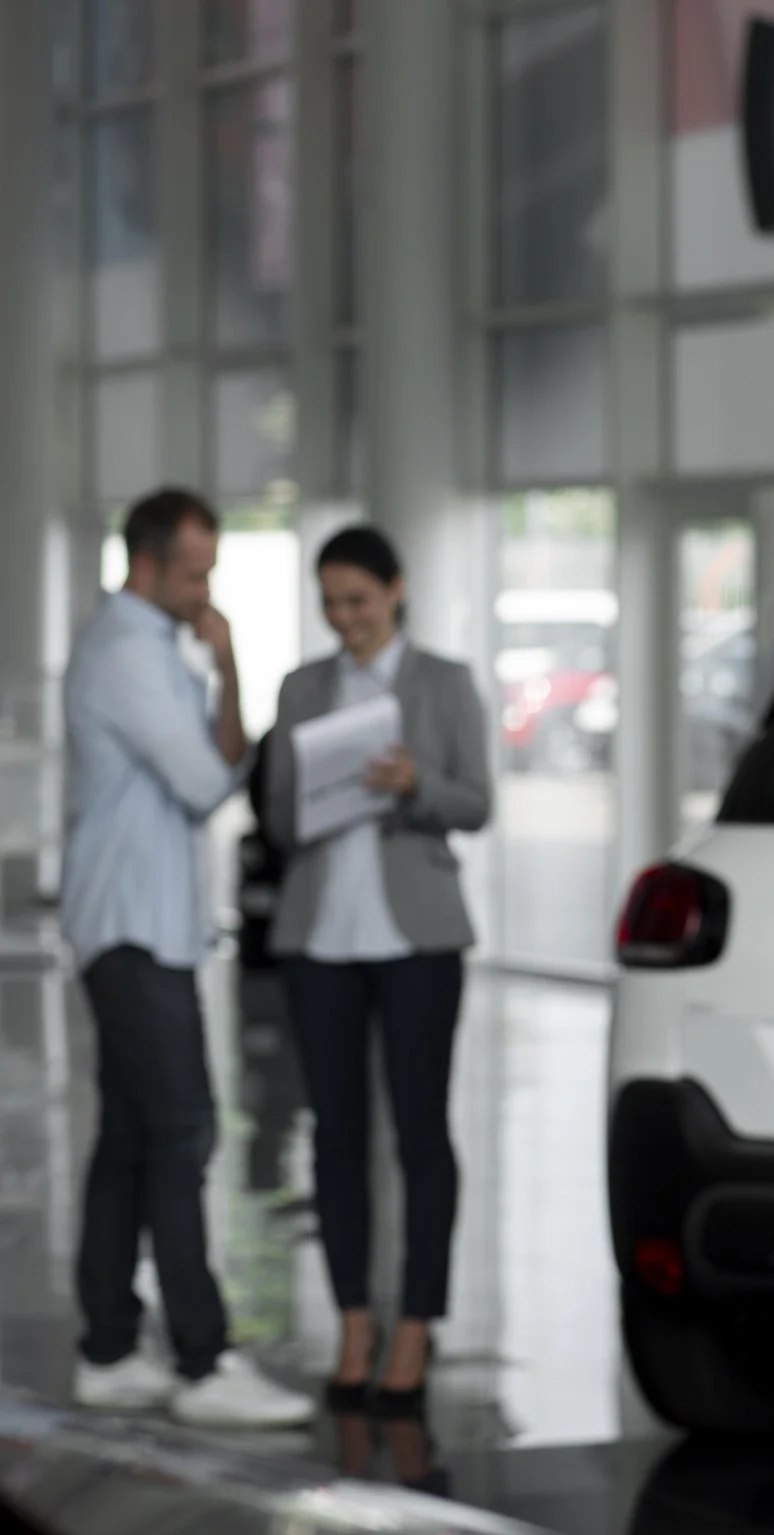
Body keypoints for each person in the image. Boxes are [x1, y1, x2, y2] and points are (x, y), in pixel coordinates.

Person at [62, 487, 316, 1429]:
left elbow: (220, 758)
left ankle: (110, 1350)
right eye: (197, 571)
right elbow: (212, 781)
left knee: (131, 1138)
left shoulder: (156, 649)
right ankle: (205, 1360)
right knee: (184, 1131)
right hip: (128, 929)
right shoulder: (126, 653)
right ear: (149, 563)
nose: (207, 588)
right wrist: (231, 662)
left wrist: (223, 664)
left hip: (149, 926)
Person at [261, 525, 492, 1415]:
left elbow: (477, 804)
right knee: (334, 1137)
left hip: (419, 937)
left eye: (359, 600)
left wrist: (414, 784)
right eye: (331, 604)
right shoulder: (302, 688)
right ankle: (353, 1319)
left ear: (396, 591)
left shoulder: (444, 683)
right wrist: (319, 795)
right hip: (320, 936)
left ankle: (416, 1323)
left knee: (422, 1132)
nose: (345, 618)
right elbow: (279, 819)